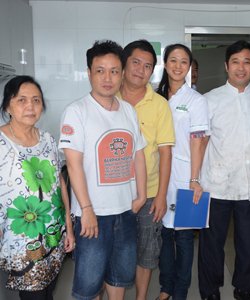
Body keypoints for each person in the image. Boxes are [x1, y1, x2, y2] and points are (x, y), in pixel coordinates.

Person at [59, 40, 147, 300]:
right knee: (88, 285)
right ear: (89, 73)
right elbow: (73, 165)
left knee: (119, 277)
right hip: (93, 215)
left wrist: (141, 195)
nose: (107, 78)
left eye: (114, 71)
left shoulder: (129, 111)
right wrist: (86, 210)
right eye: (100, 71)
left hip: (125, 210)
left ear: (121, 74)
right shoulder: (77, 112)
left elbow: (138, 155)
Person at [198, 40, 250, 300]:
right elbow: (200, 143)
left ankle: (244, 289)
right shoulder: (209, 100)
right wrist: (195, 180)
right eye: (236, 62)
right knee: (211, 244)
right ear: (227, 66)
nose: (241, 67)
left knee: (249, 244)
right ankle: (209, 291)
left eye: (247, 62)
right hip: (215, 184)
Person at [0, 75, 75, 299]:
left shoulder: (48, 140)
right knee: (35, 295)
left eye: (36, 100)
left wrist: (68, 228)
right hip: (20, 239)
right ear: (8, 106)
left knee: (49, 289)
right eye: (21, 100)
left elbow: (59, 183)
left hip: (53, 235)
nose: (30, 106)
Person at [119, 39, 175, 300]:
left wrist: (162, 196)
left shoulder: (159, 104)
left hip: (150, 192)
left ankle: (141, 297)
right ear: (124, 63)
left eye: (148, 66)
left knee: (148, 250)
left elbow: (165, 152)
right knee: (115, 250)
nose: (141, 70)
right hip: (114, 195)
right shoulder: (108, 97)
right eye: (136, 62)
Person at [156, 43, 209, 300]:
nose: (178, 66)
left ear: (189, 67)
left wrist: (195, 179)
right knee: (164, 235)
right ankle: (166, 287)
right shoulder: (155, 96)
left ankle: (180, 292)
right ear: (165, 64)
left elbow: (198, 140)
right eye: (173, 60)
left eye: (184, 62)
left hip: (187, 176)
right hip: (159, 176)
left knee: (185, 238)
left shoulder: (196, 100)